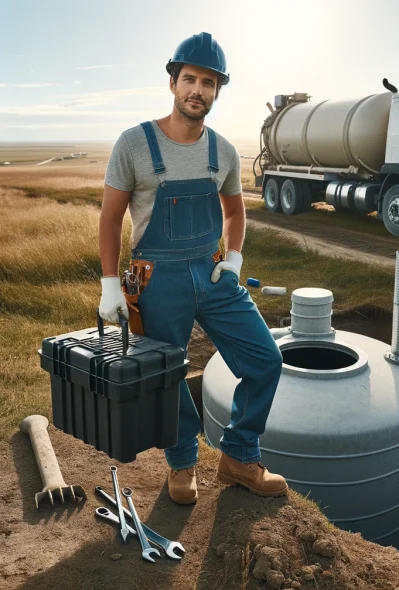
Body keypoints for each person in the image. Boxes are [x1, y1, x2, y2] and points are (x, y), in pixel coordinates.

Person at [98, 32, 288, 503]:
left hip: (212, 272)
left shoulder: (221, 150)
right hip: (156, 278)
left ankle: (239, 457)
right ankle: (182, 464)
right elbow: (109, 217)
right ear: (172, 83)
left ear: (217, 90)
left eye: (208, 82)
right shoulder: (134, 144)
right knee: (169, 373)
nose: (197, 90)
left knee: (265, 361)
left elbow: (236, 210)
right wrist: (109, 285)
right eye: (189, 79)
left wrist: (235, 259)